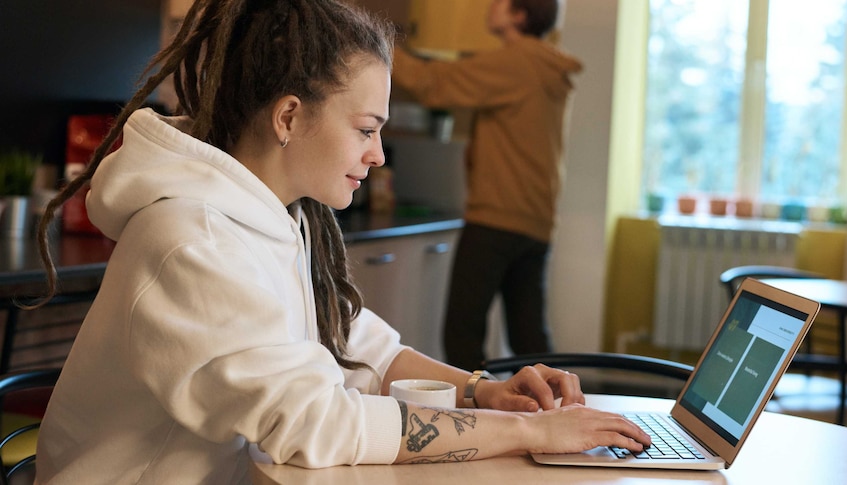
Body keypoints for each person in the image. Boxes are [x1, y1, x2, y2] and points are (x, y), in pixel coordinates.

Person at [32, 1, 646, 483]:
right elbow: (316, 425)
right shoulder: (194, 240)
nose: (377, 155)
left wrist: (482, 389)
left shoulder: (275, 216)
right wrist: (531, 434)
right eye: (365, 129)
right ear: (290, 117)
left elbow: (353, 341)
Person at [391, 0, 583, 370]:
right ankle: (556, 411)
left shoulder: (516, 62)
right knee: (529, 339)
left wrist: (376, 43)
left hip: (496, 219)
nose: (490, 5)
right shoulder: (546, 65)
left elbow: (434, 84)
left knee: (462, 334)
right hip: (536, 221)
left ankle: (476, 417)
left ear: (519, 15)